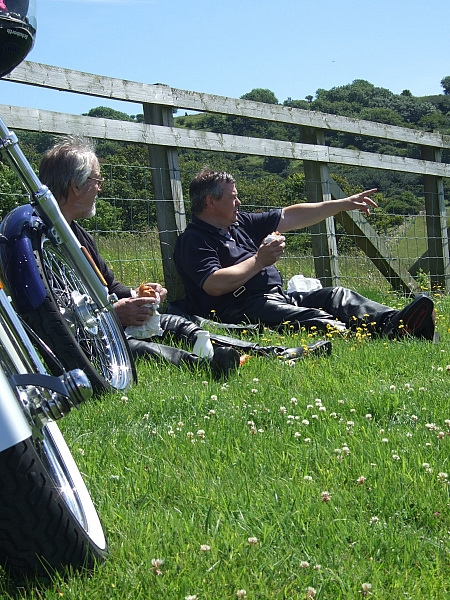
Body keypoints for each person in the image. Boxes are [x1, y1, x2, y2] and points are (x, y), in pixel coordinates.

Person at [38, 137, 331, 380]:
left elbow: (111, 287)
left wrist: (139, 295)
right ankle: (207, 364)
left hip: (110, 319)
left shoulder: (75, 233)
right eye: (96, 179)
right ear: (76, 186)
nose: (100, 187)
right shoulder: (37, 241)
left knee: (181, 325)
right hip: (88, 336)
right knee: (140, 348)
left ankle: (269, 352)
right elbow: (51, 316)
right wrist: (114, 312)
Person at [172, 169, 435, 341]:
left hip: (276, 297)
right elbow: (214, 284)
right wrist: (259, 261)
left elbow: (289, 215)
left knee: (337, 296)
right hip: (238, 308)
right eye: (233, 197)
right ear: (210, 202)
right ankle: (384, 335)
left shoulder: (240, 223)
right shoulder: (194, 240)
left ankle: (398, 322)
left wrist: (342, 204)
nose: (238, 203)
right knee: (316, 319)